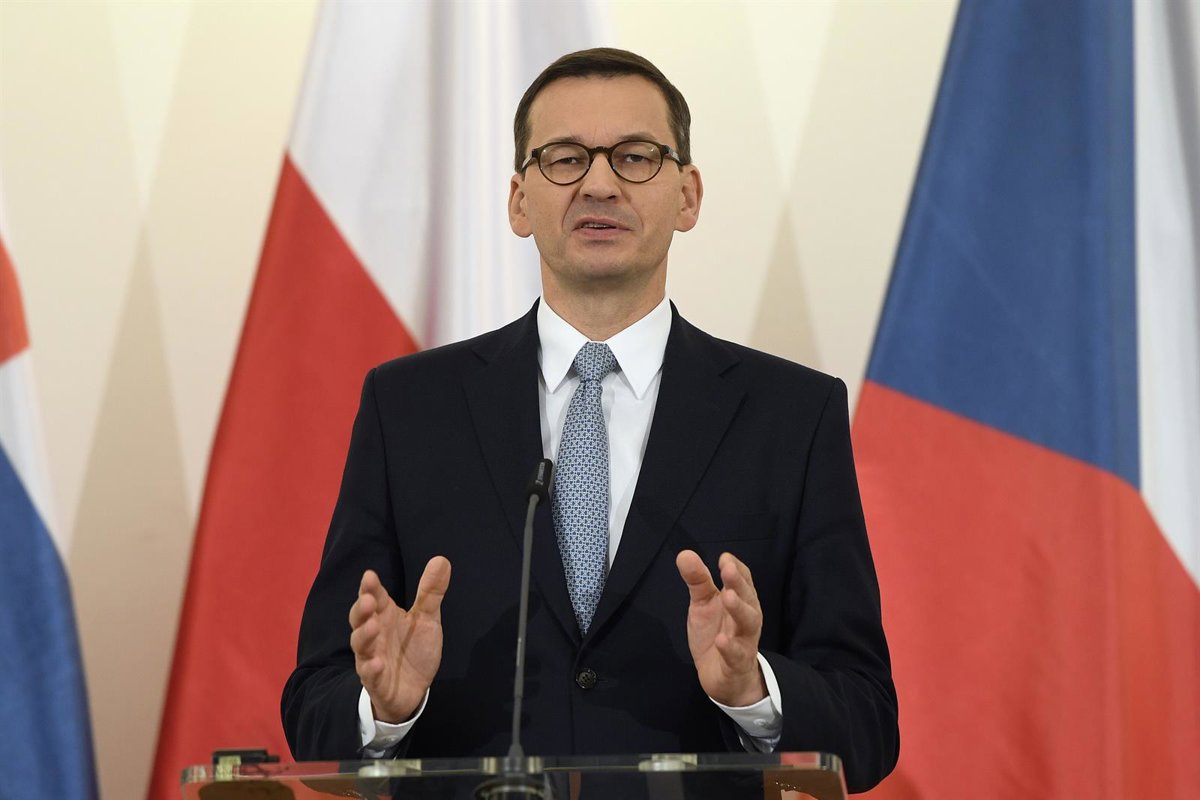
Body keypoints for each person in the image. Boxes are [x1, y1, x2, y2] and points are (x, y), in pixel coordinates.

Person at [281, 47, 898, 793]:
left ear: (688, 195)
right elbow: (313, 708)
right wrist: (384, 709)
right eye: (566, 159)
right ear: (519, 201)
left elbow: (867, 726)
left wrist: (753, 690)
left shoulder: (791, 416)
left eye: (635, 157)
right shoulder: (409, 409)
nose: (599, 184)